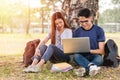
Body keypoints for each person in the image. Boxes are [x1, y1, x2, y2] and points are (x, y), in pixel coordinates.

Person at [73, 8, 105, 76]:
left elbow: (101, 51)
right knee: (76, 56)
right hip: (82, 56)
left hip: (95, 56)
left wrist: (89, 50)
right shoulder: (76, 32)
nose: (83, 24)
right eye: (81, 22)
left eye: (86, 21)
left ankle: (85, 69)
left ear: (91, 18)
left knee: (100, 59)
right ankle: (92, 68)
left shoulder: (99, 30)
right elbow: (75, 49)